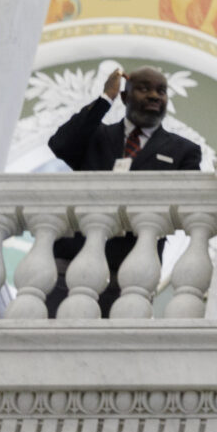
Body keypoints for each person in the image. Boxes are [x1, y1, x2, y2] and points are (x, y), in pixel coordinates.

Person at [45, 66, 204, 315]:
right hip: (72, 261)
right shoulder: (95, 136)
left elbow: (189, 205)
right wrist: (104, 98)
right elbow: (60, 143)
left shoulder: (183, 151)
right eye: (143, 89)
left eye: (161, 91)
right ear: (124, 97)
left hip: (132, 270)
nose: (154, 96)